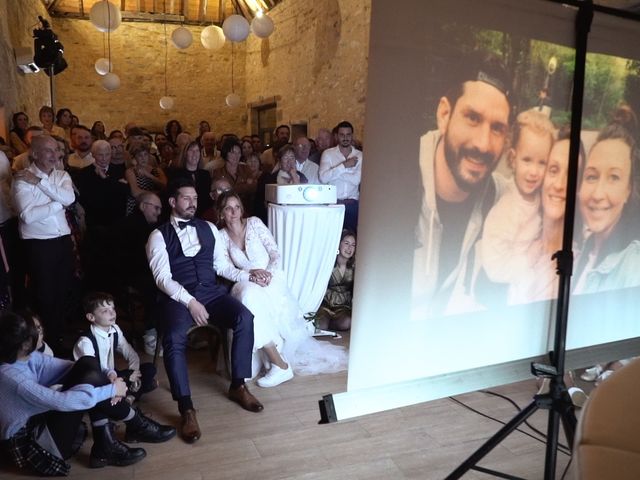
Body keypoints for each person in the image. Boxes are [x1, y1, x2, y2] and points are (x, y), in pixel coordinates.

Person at [146, 178, 264, 443]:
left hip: (211, 293)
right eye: (186, 198)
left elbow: (221, 266)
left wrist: (248, 274)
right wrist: (190, 302)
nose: (192, 203)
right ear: (172, 202)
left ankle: (238, 385)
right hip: (177, 298)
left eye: (195, 199)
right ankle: (186, 407)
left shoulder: (209, 227)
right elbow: (163, 279)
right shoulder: (157, 235)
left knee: (244, 317)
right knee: (174, 338)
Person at [0, 311, 175, 474]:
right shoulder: (12, 378)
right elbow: (64, 401)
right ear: (24, 344)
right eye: (37, 329)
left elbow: (72, 367)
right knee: (92, 384)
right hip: (36, 445)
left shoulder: (25, 356)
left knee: (87, 363)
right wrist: (111, 390)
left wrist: (109, 375)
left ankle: (108, 444)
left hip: (41, 420)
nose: (42, 330)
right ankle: (134, 425)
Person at [411, 51, 511, 318]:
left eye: (497, 128)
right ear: (444, 114)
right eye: (473, 118)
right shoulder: (399, 181)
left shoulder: (501, 197)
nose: (483, 143)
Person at [478, 110, 555, 305]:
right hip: (498, 289)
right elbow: (494, 267)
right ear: (513, 159)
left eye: (542, 163)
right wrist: (528, 260)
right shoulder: (507, 208)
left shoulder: (539, 195)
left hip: (523, 275)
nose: (534, 172)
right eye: (527, 160)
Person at [11, 135, 76, 354]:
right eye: (48, 150)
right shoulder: (21, 179)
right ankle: (46, 344)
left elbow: (70, 199)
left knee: (63, 291)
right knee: (45, 295)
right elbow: (27, 216)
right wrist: (58, 205)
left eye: (56, 150)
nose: (54, 154)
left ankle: (57, 337)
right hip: (39, 245)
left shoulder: (62, 175)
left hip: (62, 242)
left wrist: (40, 183)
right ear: (35, 154)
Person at [573, 107, 640, 294]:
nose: (597, 194)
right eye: (592, 177)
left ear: (629, 190)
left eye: (614, 177)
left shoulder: (633, 267)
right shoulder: (585, 249)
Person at [73, 292, 157, 403]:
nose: (112, 313)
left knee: (150, 369)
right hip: (96, 380)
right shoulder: (85, 341)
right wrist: (126, 377)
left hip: (113, 375)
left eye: (112, 308)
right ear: (91, 317)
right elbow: (96, 372)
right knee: (102, 386)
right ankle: (132, 394)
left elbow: (129, 352)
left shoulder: (115, 329)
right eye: (105, 311)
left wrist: (133, 372)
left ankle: (129, 395)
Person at [319, 121, 362, 232]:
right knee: (332, 237)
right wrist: (345, 165)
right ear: (337, 136)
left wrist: (334, 171)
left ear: (352, 135)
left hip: (353, 204)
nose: (345, 138)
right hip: (334, 203)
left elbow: (356, 180)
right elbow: (323, 178)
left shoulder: (360, 155)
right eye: (342, 135)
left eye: (348, 135)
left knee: (351, 239)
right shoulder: (328, 154)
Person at [316, 230, 356, 331]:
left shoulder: (355, 266)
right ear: (338, 244)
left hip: (343, 307)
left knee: (346, 323)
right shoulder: (328, 262)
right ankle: (326, 324)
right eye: (346, 243)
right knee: (320, 326)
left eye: (353, 245)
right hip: (325, 304)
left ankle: (334, 325)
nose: (349, 248)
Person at [166, 140, 212, 217]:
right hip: (183, 214)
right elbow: (171, 196)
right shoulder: (176, 174)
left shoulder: (205, 174)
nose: (195, 154)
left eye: (197, 151)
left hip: (204, 215)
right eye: (191, 150)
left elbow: (208, 198)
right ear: (185, 154)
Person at [125, 145, 167, 214]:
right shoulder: (130, 171)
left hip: (155, 205)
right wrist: (159, 193)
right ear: (134, 158)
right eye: (139, 155)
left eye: (145, 155)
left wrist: (149, 176)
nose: (143, 158)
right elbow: (135, 192)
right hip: (136, 205)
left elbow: (165, 186)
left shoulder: (157, 170)